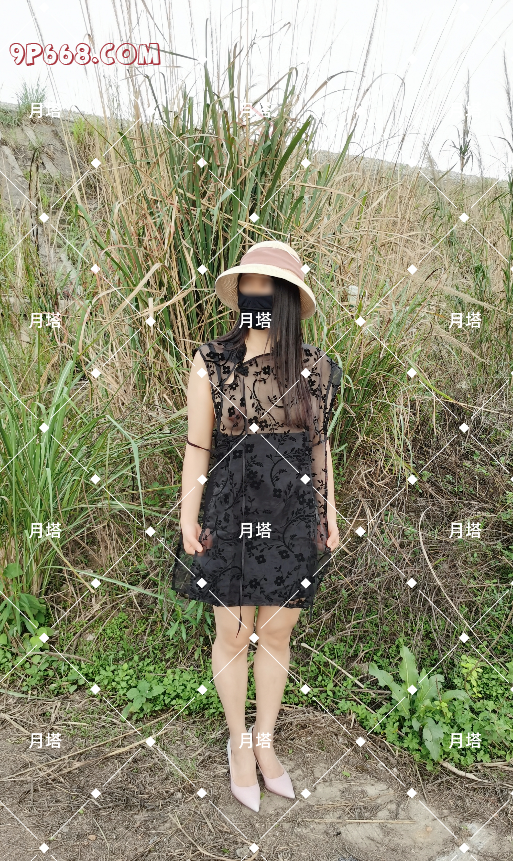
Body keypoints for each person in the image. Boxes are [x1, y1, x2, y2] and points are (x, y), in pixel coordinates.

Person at [172, 240, 342, 812]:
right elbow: (197, 447)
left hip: (291, 513)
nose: (256, 297)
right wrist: (189, 514)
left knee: (275, 634)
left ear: (288, 298)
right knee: (233, 632)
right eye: (248, 286)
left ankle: (265, 742)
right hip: (229, 509)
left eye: (267, 287)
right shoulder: (212, 362)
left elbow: (320, 449)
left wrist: (328, 512)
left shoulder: (318, 369)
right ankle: (238, 744)